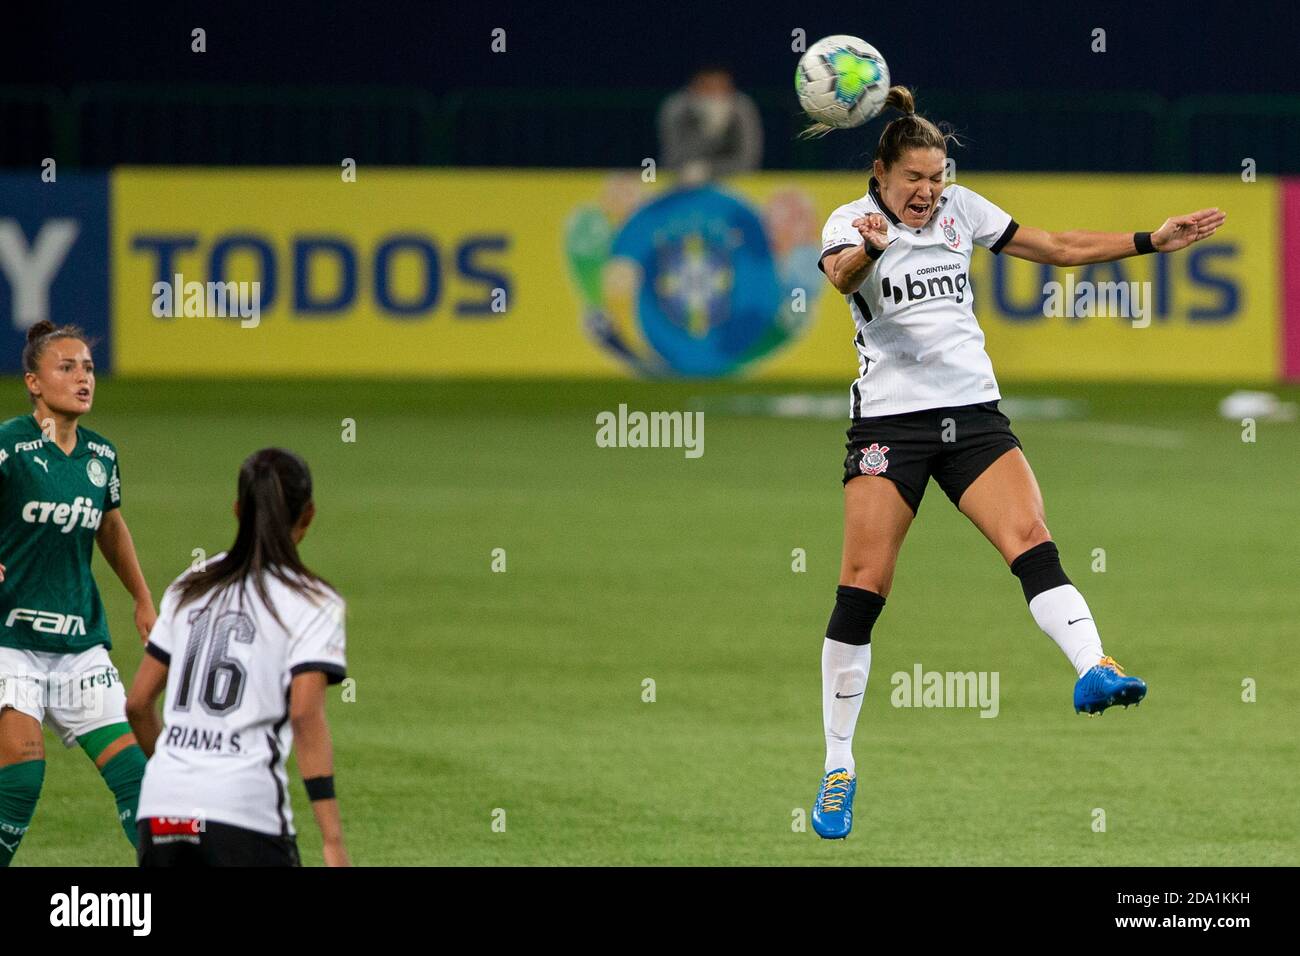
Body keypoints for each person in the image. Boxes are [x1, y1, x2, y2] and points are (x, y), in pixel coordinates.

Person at [810, 86, 1226, 840]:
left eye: (937, 177)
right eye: (915, 180)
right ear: (882, 171)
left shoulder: (961, 211)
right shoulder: (851, 222)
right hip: (890, 428)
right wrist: (871, 245)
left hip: (972, 416)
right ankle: (840, 764)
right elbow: (841, 275)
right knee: (862, 587)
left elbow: (1058, 248)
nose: (928, 192)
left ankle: (1094, 666)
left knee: (1031, 537)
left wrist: (1150, 242)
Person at [127, 448, 350, 866]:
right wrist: (333, 841)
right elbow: (305, 715)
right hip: (245, 816)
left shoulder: (188, 588)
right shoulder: (313, 602)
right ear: (308, 515)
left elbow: (137, 703)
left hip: (162, 811)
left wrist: (182, 776)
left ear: (237, 510)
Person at [0, 320, 155, 866]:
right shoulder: (9, 446)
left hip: (78, 642)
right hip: (10, 638)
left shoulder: (101, 457)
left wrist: (141, 598)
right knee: (22, 774)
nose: (83, 377)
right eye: (66, 367)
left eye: (87, 367)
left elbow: (109, 526)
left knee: (138, 780)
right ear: (34, 383)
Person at [657, 66, 763, 181]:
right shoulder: (676, 108)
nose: (714, 96)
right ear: (693, 89)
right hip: (683, 184)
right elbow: (672, 160)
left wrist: (708, 170)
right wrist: (706, 131)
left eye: (721, 89)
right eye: (707, 88)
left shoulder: (742, 108)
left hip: (734, 184)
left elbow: (749, 161)